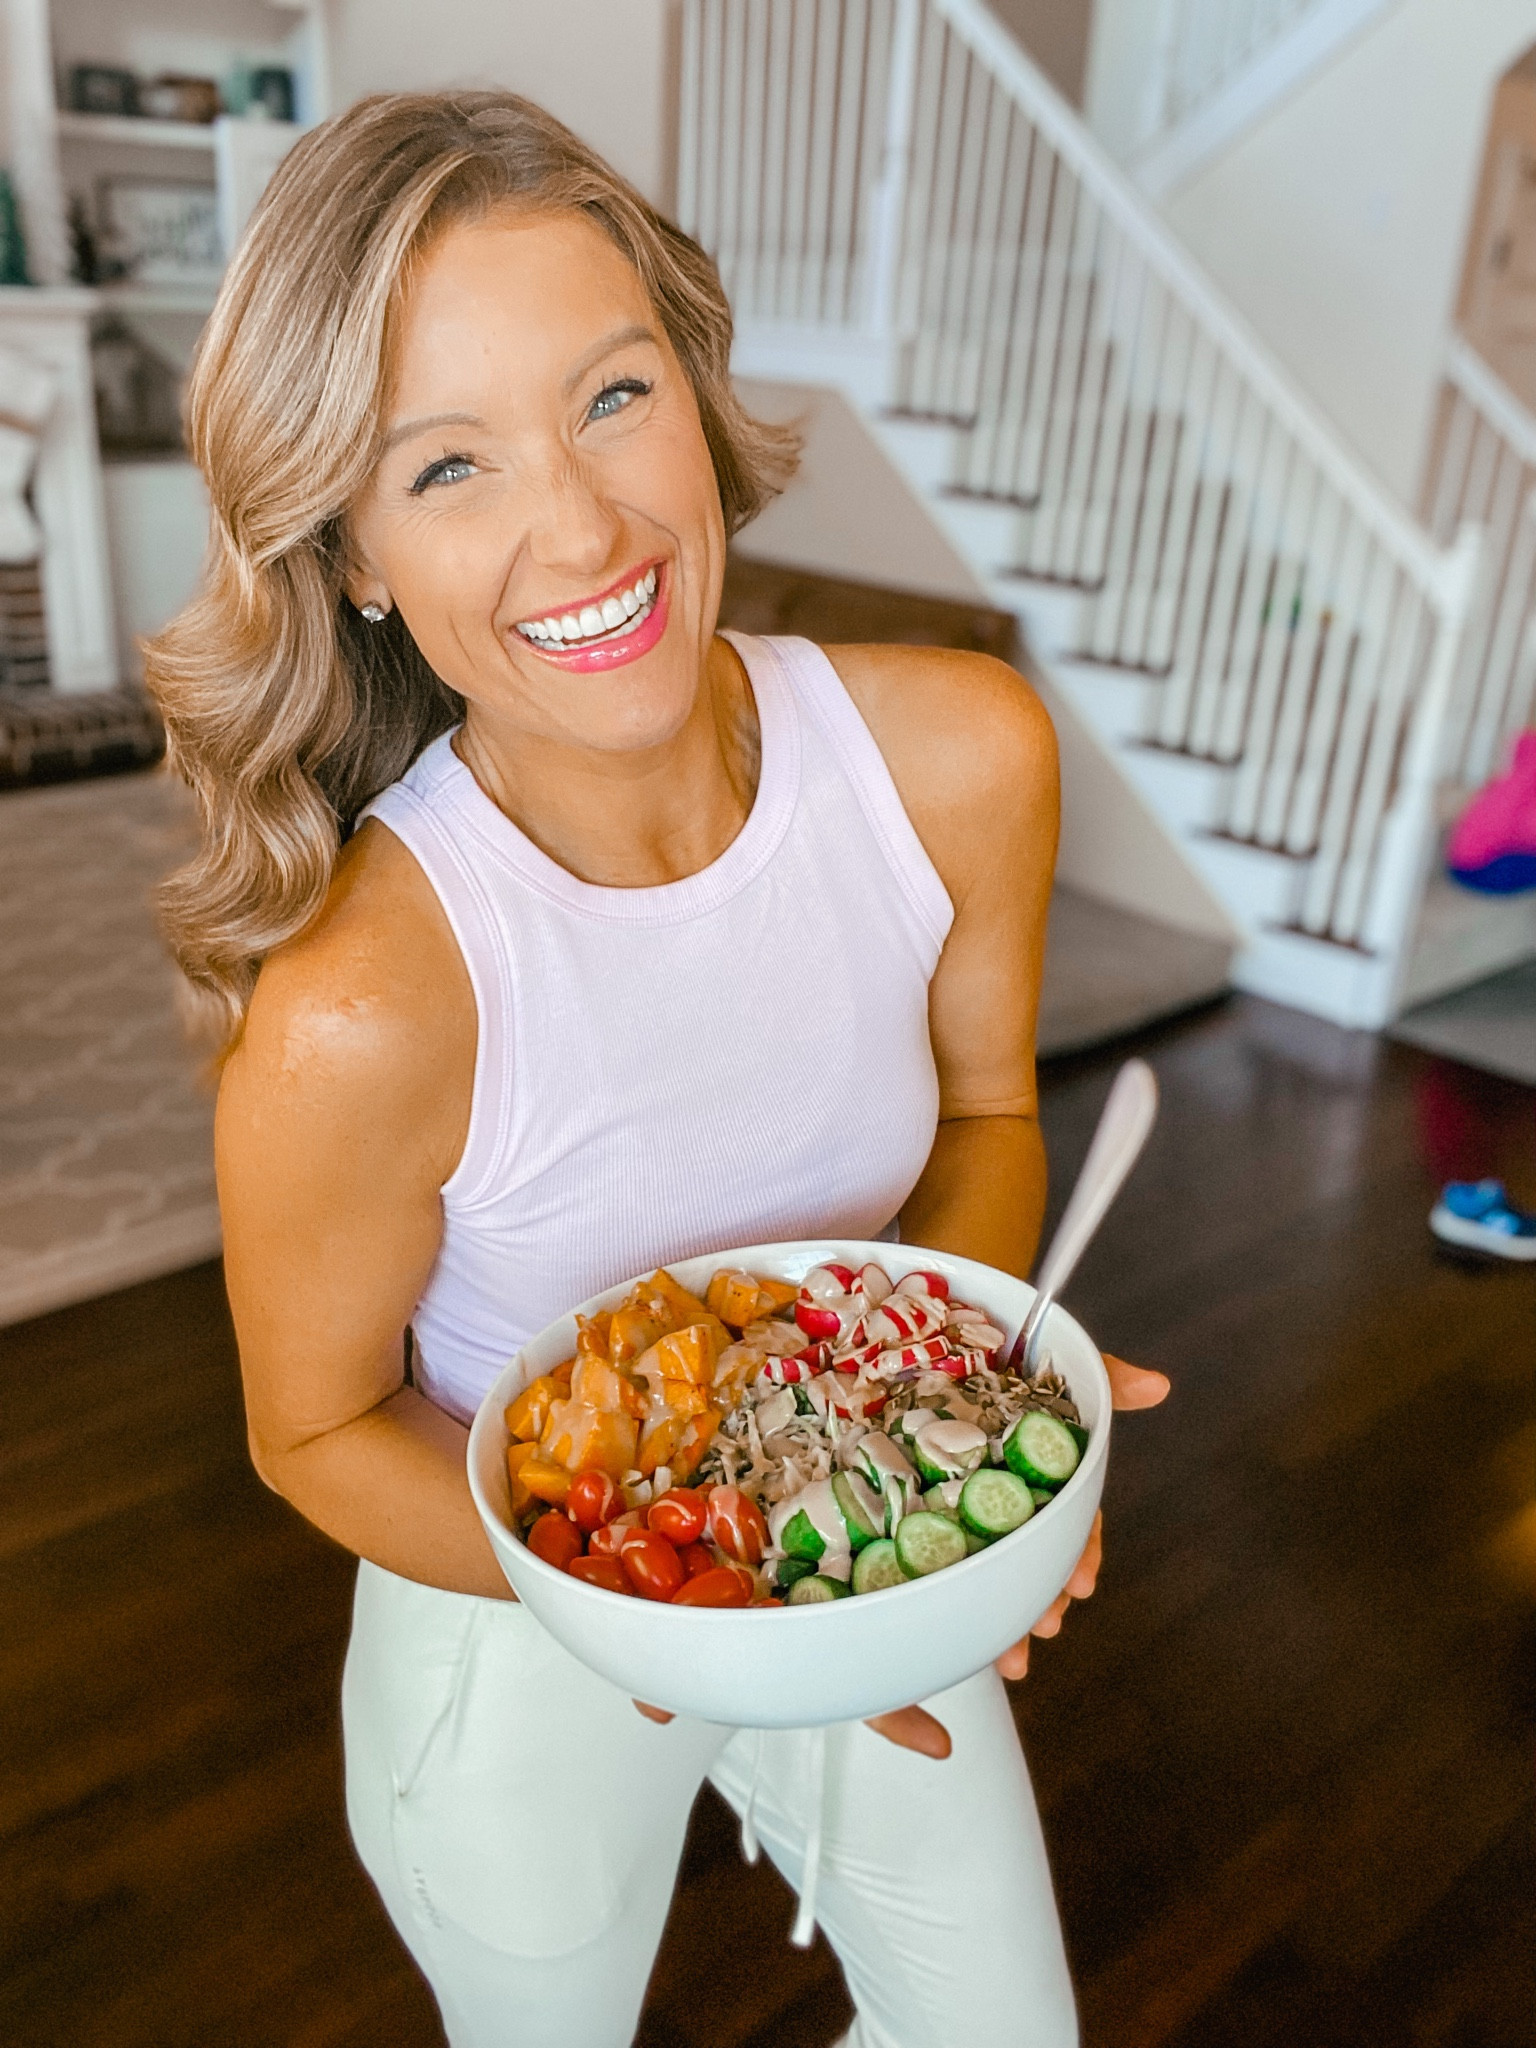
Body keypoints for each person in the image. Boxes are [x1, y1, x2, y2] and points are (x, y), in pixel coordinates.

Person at [146, 91, 1169, 2048]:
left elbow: (984, 1118)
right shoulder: (365, 1010)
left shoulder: (961, 761)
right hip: (515, 1622)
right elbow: (311, 1430)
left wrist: (958, 1444)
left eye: (612, 398)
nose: (586, 526)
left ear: (697, 393)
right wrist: (667, 1592)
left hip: (836, 1507)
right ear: (352, 556)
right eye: (446, 465)